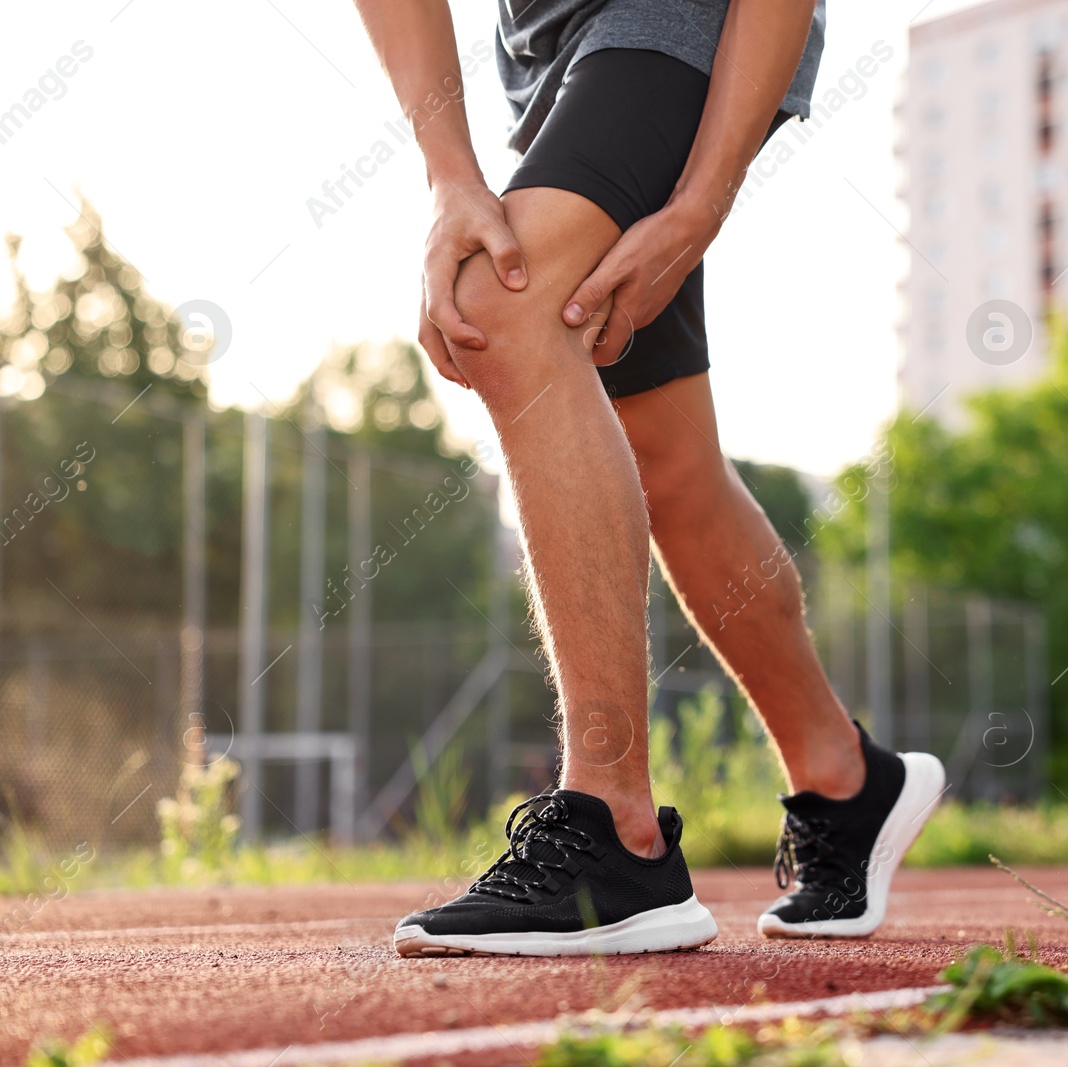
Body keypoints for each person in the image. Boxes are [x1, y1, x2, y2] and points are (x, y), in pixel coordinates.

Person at [351, 0, 944, 957]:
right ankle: (844, 776)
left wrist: (700, 204)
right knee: (665, 461)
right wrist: (450, 176)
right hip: (552, 61)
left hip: (680, 21)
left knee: (500, 310)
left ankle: (613, 829)